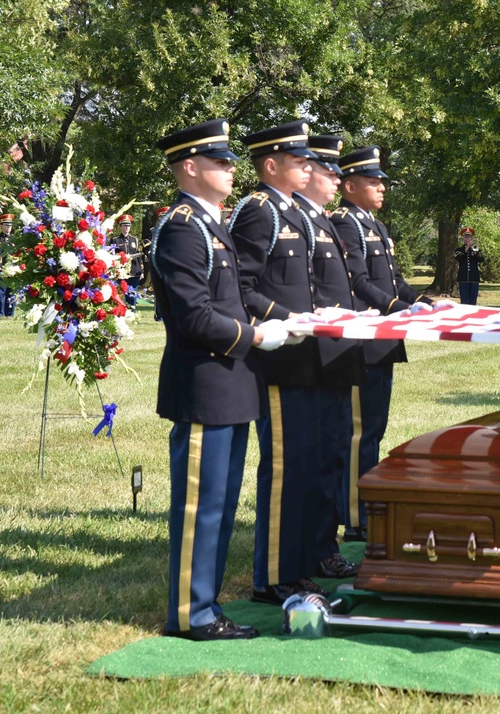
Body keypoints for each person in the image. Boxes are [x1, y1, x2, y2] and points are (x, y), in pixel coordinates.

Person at [151, 119, 291, 641]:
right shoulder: (184, 226)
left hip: (229, 384)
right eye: (219, 161)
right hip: (205, 385)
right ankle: (191, 613)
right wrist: (255, 336)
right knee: (200, 506)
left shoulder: (210, 223)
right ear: (190, 167)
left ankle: (206, 605)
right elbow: (193, 316)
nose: (232, 169)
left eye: (231, 161)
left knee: (221, 503)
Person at [229, 120, 333, 605]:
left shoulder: (292, 213)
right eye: (299, 160)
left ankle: (295, 565)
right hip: (279, 360)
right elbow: (242, 288)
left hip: (304, 356)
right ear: (271, 165)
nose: (308, 166)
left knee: (306, 466)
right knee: (285, 468)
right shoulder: (259, 212)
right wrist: (288, 319)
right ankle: (271, 576)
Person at [330, 145, 450, 540]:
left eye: (382, 181)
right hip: (363, 341)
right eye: (373, 181)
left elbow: (394, 281)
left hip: (382, 342)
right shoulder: (346, 222)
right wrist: (399, 307)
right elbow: (358, 282)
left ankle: (363, 506)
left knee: (374, 428)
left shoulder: (375, 226)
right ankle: (354, 517)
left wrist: (425, 303)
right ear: (349, 185)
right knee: (359, 431)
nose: (382, 187)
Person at [296, 133, 362, 579]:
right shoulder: (295, 218)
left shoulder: (320, 221)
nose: (337, 180)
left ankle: (324, 544)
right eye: (328, 171)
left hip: (337, 352)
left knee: (334, 453)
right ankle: (313, 547)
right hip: (311, 355)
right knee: (315, 459)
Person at [109, 214, 143, 308]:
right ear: (120, 226)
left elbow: (139, 255)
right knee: (119, 295)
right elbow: (112, 255)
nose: (127, 227)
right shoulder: (115, 240)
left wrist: (142, 270)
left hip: (134, 271)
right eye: (125, 225)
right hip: (121, 271)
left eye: (129, 225)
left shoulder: (134, 239)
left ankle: (132, 312)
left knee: (132, 295)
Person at [454, 228, 483, 304]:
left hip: (474, 278)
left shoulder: (476, 249)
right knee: (464, 301)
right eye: (465, 237)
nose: (467, 238)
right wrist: (466, 248)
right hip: (463, 279)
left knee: (473, 300)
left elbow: (481, 259)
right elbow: (458, 257)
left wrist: (475, 251)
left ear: (472, 238)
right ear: (463, 238)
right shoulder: (459, 250)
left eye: (469, 237)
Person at [0, 214, 15, 317]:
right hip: (1, 270)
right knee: (0, 294)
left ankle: (10, 313)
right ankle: (0, 314)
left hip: (13, 270)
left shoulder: (15, 239)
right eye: (6, 225)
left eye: (10, 225)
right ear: (1, 225)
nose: (8, 227)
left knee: (11, 293)